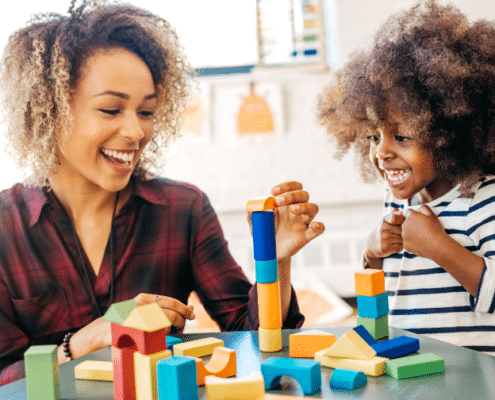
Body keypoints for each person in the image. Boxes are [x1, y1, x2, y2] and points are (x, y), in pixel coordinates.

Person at [0, 0, 325, 385]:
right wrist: (83, 343)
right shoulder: (5, 228)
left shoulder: (183, 210)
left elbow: (254, 338)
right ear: (48, 110)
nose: (137, 133)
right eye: (110, 110)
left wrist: (277, 259)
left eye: (146, 112)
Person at [317, 0, 495, 354]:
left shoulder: (482, 200)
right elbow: (387, 294)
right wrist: (372, 252)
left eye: (401, 137)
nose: (381, 153)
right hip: (409, 370)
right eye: (373, 136)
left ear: (450, 134)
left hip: (472, 380)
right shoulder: (399, 199)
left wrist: (439, 247)